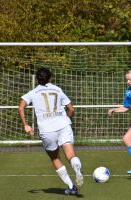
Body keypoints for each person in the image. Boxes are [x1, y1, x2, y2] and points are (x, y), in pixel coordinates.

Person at [18, 67, 83, 195]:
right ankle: (76, 167)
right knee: (71, 155)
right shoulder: (57, 89)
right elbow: (71, 109)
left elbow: (21, 108)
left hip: (47, 130)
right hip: (63, 125)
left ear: (37, 80)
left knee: (55, 157)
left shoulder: (33, 92)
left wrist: (26, 125)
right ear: (50, 78)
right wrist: (66, 120)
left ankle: (71, 186)